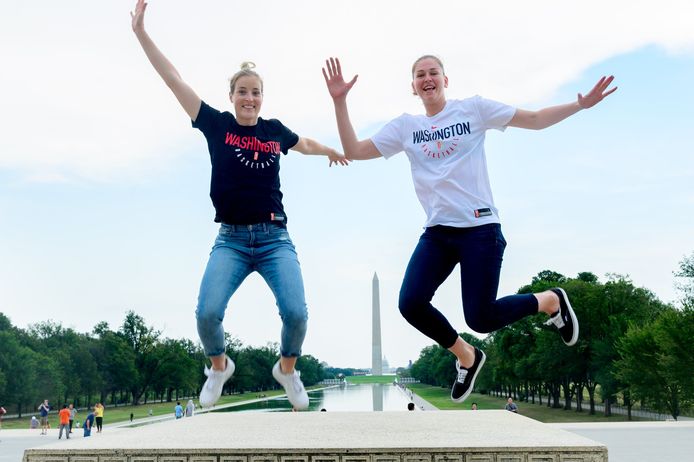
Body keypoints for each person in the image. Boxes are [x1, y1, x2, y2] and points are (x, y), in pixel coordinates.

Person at [323, 56, 616, 404]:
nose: (427, 78)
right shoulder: (405, 127)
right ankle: (466, 355)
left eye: (433, 73)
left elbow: (534, 120)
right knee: (410, 303)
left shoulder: (473, 110)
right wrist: (340, 101)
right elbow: (354, 151)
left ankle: (549, 300)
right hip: (438, 233)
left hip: (479, 228)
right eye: (420, 75)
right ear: (413, 86)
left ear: (446, 80)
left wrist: (579, 105)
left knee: (480, 317)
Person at [130, 0, 347, 412]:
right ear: (231, 96)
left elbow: (306, 144)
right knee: (207, 313)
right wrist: (142, 34)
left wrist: (331, 151)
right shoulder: (216, 125)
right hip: (230, 239)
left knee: (297, 313)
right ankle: (218, 366)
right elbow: (173, 79)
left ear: (262, 98)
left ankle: (287, 369)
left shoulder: (274, 131)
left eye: (256, 93)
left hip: (273, 238)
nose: (249, 98)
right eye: (243, 92)